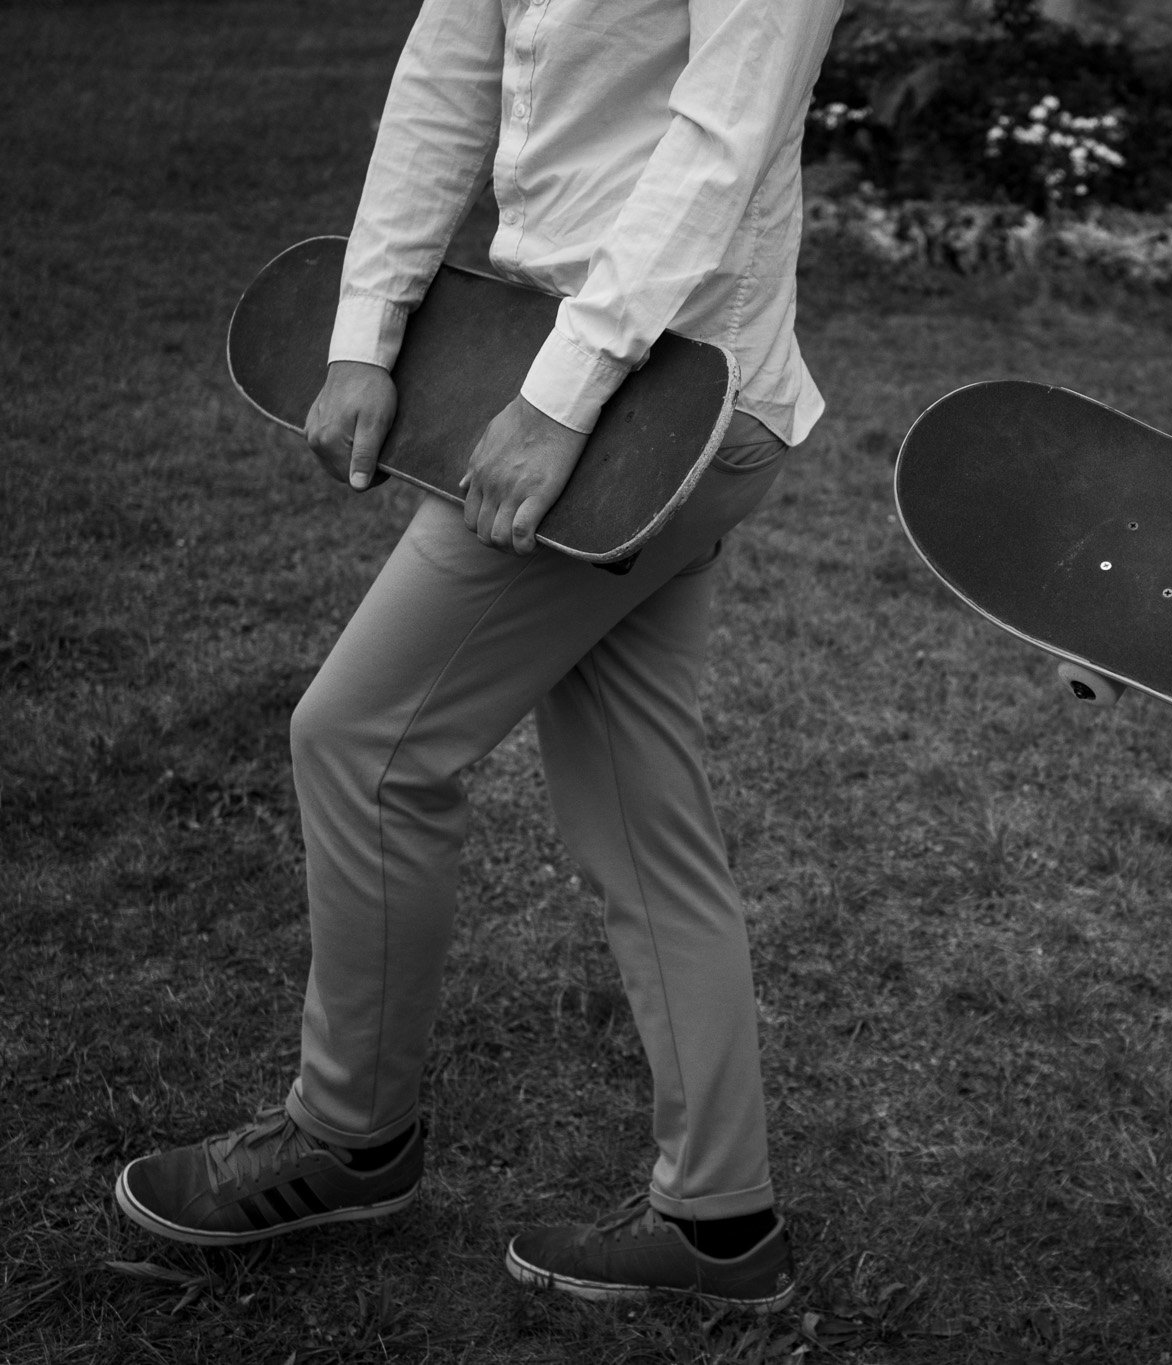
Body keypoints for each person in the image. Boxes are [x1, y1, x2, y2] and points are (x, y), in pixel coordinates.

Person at [113, 0, 842, 1309]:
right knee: (637, 809)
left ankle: (351, 1132)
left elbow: (718, 145)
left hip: (656, 405)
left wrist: (561, 405)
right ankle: (722, 1226)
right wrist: (364, 329)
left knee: (363, 744)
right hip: (590, 387)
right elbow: (446, 75)